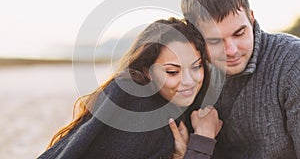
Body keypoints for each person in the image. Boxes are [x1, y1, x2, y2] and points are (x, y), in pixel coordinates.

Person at [38, 18, 222, 159]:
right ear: (146, 70)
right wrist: (202, 143)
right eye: (173, 72)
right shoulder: (138, 109)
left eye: (197, 66)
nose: (189, 81)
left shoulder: (168, 110)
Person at [181, 0, 300, 159]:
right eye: (215, 41)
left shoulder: (292, 62)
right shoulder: (187, 77)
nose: (231, 50)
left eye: (239, 33)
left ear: (251, 18)